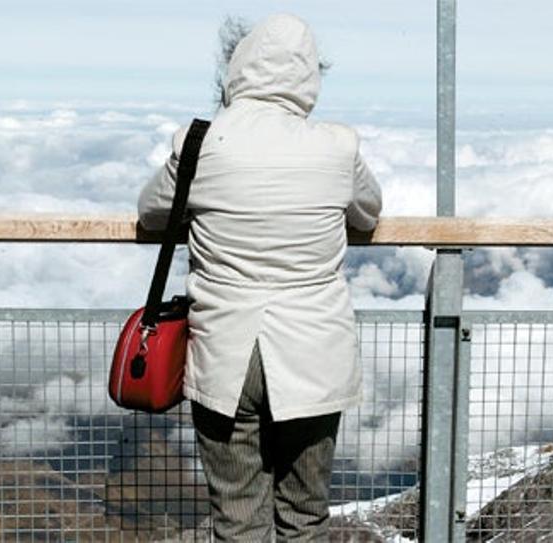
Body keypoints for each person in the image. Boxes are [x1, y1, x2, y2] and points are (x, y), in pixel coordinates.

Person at [137, 13, 382, 541]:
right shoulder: (338, 145)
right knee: (305, 517)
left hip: (225, 351)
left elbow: (152, 213)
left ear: (239, 68)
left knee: (237, 518)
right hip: (313, 354)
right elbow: (368, 213)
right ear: (308, 77)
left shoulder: (200, 142)